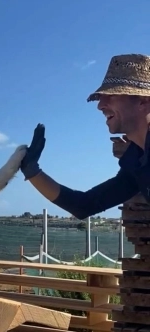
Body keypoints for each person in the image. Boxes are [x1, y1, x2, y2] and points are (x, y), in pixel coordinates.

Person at [20, 53, 150, 220]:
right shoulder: (137, 159)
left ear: (144, 101)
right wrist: (32, 171)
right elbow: (85, 205)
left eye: (111, 95)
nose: (100, 106)